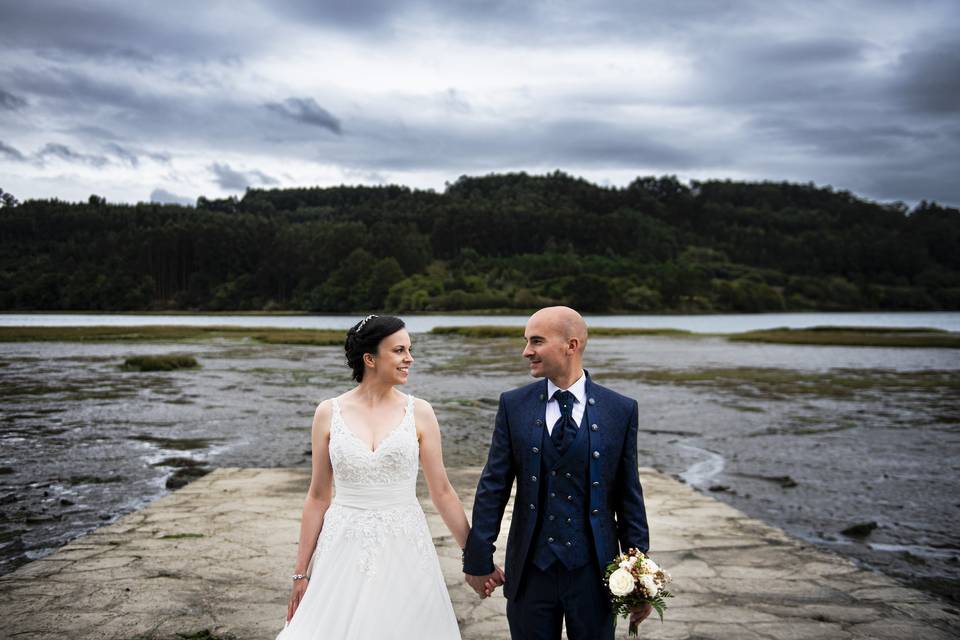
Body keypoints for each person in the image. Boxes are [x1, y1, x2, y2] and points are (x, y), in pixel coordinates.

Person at [278, 314, 493, 639]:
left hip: (405, 544)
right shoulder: (328, 412)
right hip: (342, 544)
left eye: (409, 349)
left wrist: (475, 557)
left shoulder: (420, 412)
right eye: (399, 350)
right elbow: (318, 496)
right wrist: (300, 574)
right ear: (370, 359)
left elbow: (443, 492)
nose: (410, 358)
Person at [463, 306, 652, 639]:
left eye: (536, 341)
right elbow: (494, 486)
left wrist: (640, 575)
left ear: (571, 345)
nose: (526, 352)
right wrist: (478, 558)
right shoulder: (513, 404)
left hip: (595, 573)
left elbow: (628, 494)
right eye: (526, 341)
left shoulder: (620, 409)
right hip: (531, 573)